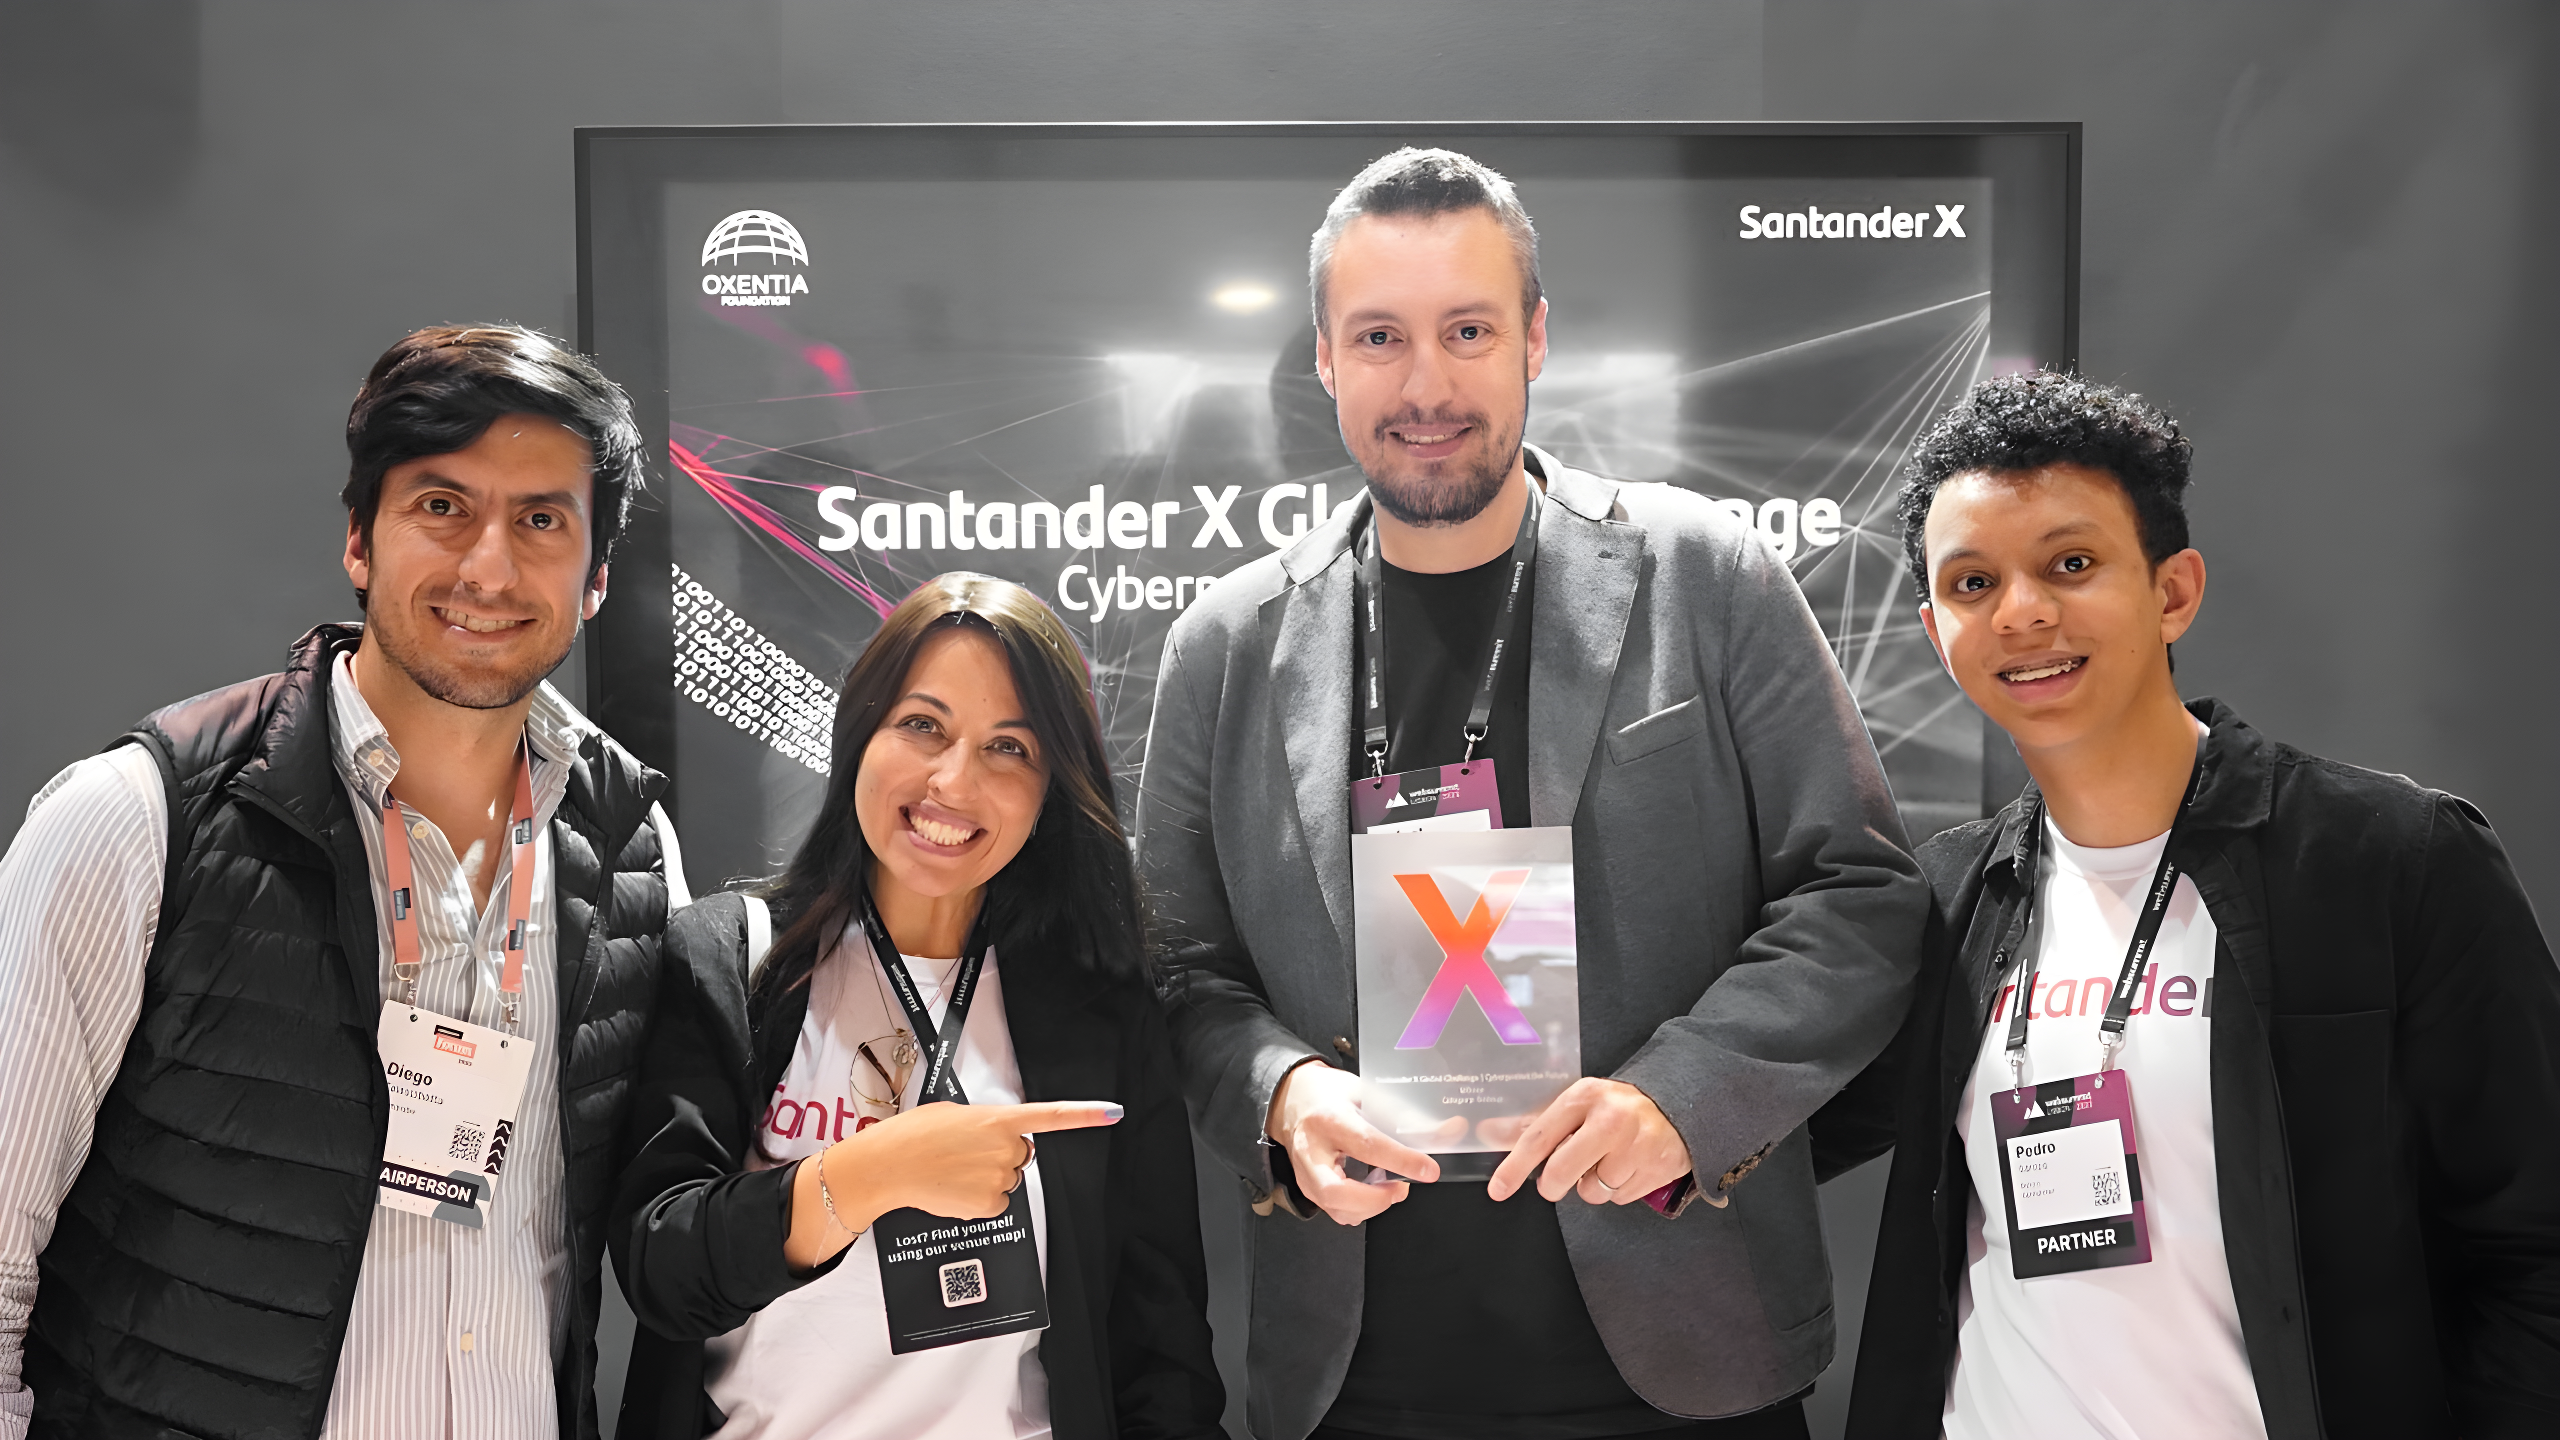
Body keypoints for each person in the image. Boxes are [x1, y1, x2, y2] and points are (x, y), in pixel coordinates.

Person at [1137, 146, 1928, 1440]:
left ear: (1535, 339)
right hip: (1355, 1385)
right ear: (1326, 361)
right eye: (1381, 337)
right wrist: (1280, 1093)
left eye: (1468, 330)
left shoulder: (1708, 577)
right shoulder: (1222, 647)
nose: (1427, 383)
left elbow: (1859, 894)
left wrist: (1683, 1098)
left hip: (1686, 1367)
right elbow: (1175, 973)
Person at [1814, 371, 2560, 1439]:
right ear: (1936, 631)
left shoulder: (2391, 861)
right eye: (1972, 585)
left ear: (2172, 591)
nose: (2021, 611)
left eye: (2069, 565)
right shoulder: (1944, 898)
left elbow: (2536, 1249)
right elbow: (1782, 1120)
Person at [0, 325, 683, 1438]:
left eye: (542, 521)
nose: (490, 569)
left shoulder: (630, 846)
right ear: (360, 540)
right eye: (442, 507)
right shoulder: (138, 821)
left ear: (597, 575)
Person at [611, 573, 1224, 1440]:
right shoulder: (730, 957)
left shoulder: (1098, 1004)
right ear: (861, 732)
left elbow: (1161, 1346)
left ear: (1051, 785)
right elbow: (661, 1267)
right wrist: (873, 1173)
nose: (953, 781)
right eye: (923, 725)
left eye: (1008, 748)